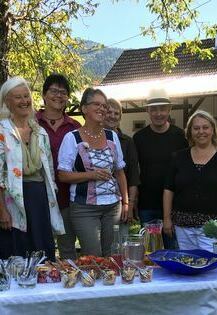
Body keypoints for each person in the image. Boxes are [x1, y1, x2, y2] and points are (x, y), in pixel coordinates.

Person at [58, 88, 130, 257]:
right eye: (96, 104)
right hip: (84, 208)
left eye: (104, 106)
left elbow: (120, 172)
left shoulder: (112, 136)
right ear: (84, 108)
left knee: (112, 255)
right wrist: (91, 175)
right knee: (94, 256)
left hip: (113, 206)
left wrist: (126, 202)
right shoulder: (72, 138)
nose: (102, 109)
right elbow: (62, 175)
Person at [0, 77, 64, 260]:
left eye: (26, 96)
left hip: (39, 197)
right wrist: (1, 210)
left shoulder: (40, 132)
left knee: (42, 248)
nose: (24, 101)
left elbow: (49, 172)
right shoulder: (2, 131)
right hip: (12, 200)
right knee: (16, 250)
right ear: (7, 102)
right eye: (18, 97)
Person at [163, 110, 217, 251]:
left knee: (212, 267)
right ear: (190, 132)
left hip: (213, 229)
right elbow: (169, 189)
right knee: (187, 266)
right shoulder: (179, 157)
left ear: (213, 130)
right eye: (196, 128)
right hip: (182, 228)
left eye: (205, 127)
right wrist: (167, 218)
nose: (201, 132)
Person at [133, 88, 188, 249]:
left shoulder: (180, 136)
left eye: (162, 109)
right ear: (147, 110)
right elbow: (135, 171)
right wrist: (133, 201)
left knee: (174, 251)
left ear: (169, 109)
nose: (159, 113)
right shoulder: (139, 138)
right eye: (154, 109)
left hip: (175, 205)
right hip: (147, 204)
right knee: (151, 253)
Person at [36, 73, 81, 260]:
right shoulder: (31, 122)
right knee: (39, 246)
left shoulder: (75, 126)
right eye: (54, 91)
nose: (59, 96)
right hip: (37, 194)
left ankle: (67, 282)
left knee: (67, 247)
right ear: (44, 94)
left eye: (63, 92)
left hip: (66, 195)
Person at [103, 98, 140, 220]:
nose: (112, 116)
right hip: (95, 201)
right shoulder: (89, 139)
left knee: (120, 238)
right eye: (109, 112)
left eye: (116, 113)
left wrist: (130, 205)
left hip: (120, 203)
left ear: (120, 117)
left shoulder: (128, 142)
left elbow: (134, 176)